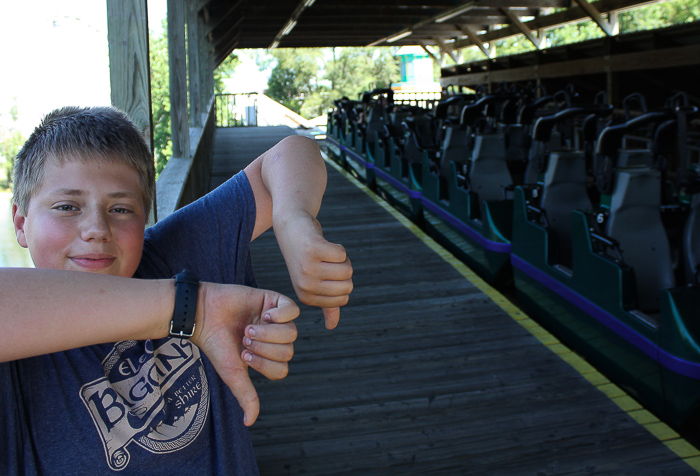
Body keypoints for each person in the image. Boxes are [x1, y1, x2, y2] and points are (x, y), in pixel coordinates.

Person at [1, 106, 353, 475]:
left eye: (121, 209)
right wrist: (192, 308)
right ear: (21, 224)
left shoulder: (170, 257)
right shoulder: (17, 358)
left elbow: (292, 152)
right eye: (66, 206)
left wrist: (293, 219)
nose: (96, 228)